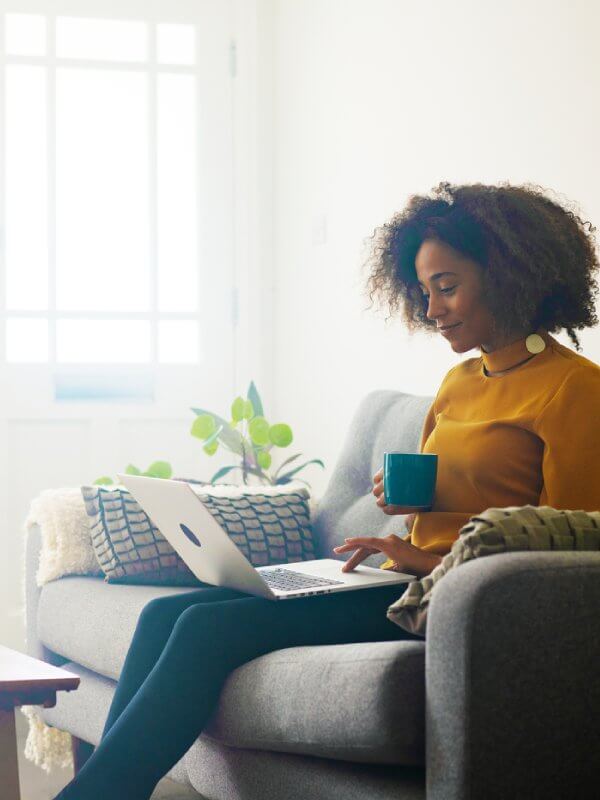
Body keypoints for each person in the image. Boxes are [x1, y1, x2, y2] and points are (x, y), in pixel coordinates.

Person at [53, 181, 600, 799]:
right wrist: (407, 514)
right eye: (424, 293)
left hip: (448, 599)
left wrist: (424, 559)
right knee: (164, 612)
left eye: (447, 287)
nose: (432, 310)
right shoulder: (459, 380)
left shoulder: (576, 389)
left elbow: (570, 548)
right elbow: (466, 501)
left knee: (206, 630)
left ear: (509, 274)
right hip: (400, 571)